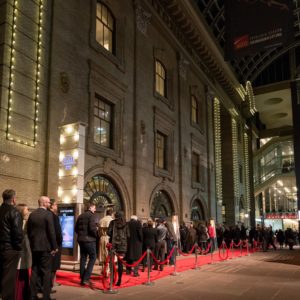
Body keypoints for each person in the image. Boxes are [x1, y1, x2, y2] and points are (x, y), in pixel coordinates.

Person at [27, 196, 57, 300]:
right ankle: (46, 296)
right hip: (46, 248)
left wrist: (32, 244)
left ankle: (32, 295)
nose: (49, 204)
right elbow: (51, 232)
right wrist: (55, 247)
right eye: (48, 202)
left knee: (34, 270)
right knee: (46, 272)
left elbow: (28, 231)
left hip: (35, 247)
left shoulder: (32, 214)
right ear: (44, 203)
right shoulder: (48, 214)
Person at [0, 189, 23, 300]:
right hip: (10, 249)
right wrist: (19, 248)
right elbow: (17, 233)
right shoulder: (14, 212)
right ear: (13, 199)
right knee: (9, 279)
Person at [75, 201, 98, 286]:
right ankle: (86, 278)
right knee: (93, 257)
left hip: (81, 240)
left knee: (83, 258)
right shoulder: (91, 216)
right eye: (94, 207)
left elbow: (76, 228)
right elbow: (92, 229)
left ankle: (82, 277)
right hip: (89, 240)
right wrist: (96, 236)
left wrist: (81, 235)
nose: (95, 209)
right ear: (90, 207)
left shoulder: (80, 216)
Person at [107, 211, 130, 286]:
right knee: (120, 263)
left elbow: (108, 232)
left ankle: (113, 279)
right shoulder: (126, 223)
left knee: (112, 262)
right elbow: (128, 235)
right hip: (122, 245)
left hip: (113, 245)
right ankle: (119, 280)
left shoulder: (112, 222)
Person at [16, 203, 32, 300]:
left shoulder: (24, 221)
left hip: (24, 253)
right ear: (21, 210)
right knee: (20, 274)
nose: (28, 211)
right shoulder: (20, 223)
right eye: (26, 209)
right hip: (21, 253)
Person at [49, 199, 63, 291]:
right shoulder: (54, 216)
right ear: (51, 206)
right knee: (53, 266)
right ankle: (50, 285)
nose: (57, 206)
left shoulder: (46, 214)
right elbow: (57, 232)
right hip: (54, 244)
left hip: (46, 244)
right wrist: (59, 242)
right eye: (56, 205)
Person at [98, 208, 114, 276]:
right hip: (109, 238)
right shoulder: (112, 220)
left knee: (103, 255)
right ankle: (108, 270)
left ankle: (103, 269)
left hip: (102, 238)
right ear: (111, 213)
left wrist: (101, 236)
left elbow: (98, 231)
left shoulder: (101, 220)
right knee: (109, 255)